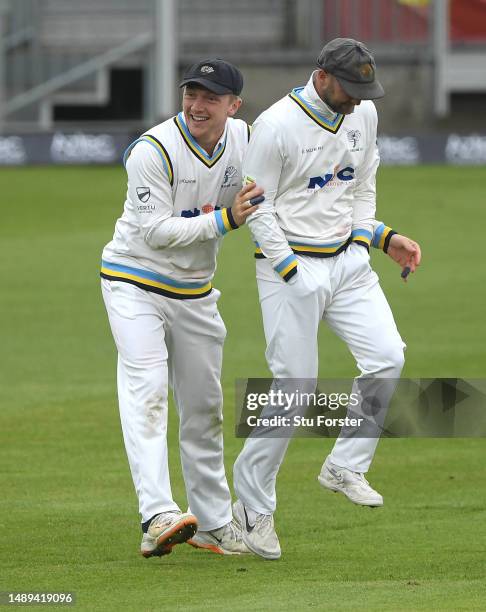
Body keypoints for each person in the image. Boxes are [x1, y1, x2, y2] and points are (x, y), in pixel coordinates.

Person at [232, 38, 421, 559]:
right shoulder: (275, 126)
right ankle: (251, 507)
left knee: (388, 356)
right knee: (295, 387)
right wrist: (293, 270)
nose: (359, 100)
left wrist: (373, 241)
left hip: (347, 261)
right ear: (322, 77)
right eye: (351, 89)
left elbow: (363, 184)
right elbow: (256, 209)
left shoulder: (363, 116)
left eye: (366, 89)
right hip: (286, 266)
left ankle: (345, 466)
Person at [100, 58, 263, 558]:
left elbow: (272, 198)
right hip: (134, 280)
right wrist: (225, 222)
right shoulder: (152, 150)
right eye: (191, 93)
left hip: (194, 291)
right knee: (147, 391)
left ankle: (214, 522)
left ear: (233, 106)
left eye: (210, 97)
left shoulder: (247, 141)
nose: (196, 105)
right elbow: (156, 232)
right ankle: (157, 514)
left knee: (204, 408)